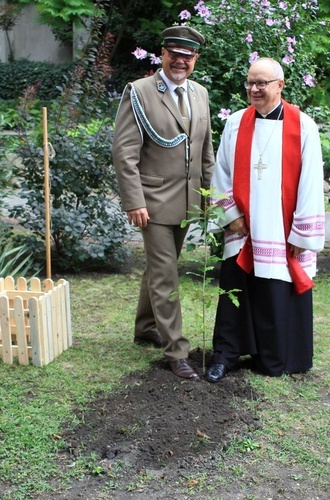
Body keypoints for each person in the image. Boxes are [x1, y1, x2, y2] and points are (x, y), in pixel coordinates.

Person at [205, 57, 325, 383]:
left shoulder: (303, 126)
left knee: (275, 293)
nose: (254, 89)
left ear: (280, 85)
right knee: (235, 291)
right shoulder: (235, 124)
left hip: (282, 229)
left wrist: (301, 234)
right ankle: (226, 353)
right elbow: (221, 173)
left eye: (262, 83)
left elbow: (311, 181)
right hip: (243, 228)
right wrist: (230, 217)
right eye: (250, 83)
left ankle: (274, 358)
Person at [112, 26, 215, 380]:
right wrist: (134, 201)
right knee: (167, 276)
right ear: (163, 54)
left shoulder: (200, 94)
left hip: (187, 202)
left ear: (195, 60)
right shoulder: (139, 92)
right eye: (174, 54)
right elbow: (124, 152)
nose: (180, 62)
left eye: (187, 57)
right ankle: (176, 351)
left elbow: (205, 151)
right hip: (152, 203)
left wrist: (207, 196)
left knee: (159, 270)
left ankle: (145, 327)